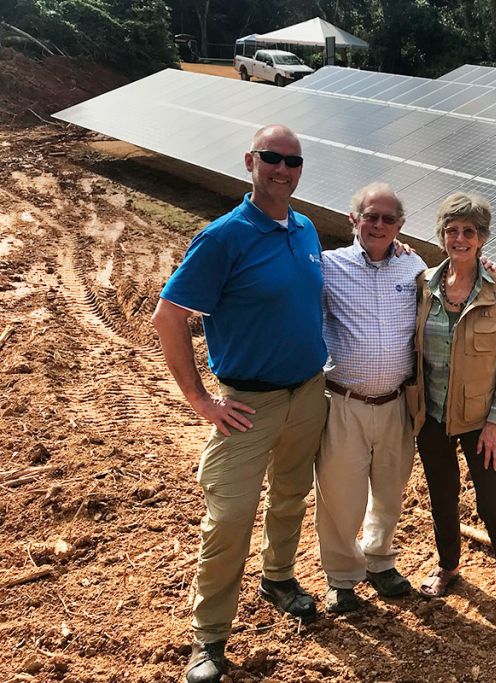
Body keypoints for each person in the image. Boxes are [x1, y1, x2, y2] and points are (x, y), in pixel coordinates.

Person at [151, 124, 328, 683]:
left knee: (291, 495)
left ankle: (278, 577)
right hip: (247, 405)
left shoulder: (304, 229)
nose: (283, 169)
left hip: (308, 392)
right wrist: (200, 400)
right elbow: (168, 317)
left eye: (293, 161)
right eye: (272, 158)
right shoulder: (224, 237)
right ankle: (209, 638)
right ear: (251, 161)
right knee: (229, 518)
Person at [409, 192, 496, 618]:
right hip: (431, 417)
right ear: (442, 236)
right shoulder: (424, 285)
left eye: (468, 231)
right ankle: (448, 566)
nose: (459, 238)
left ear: (482, 237)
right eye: (451, 230)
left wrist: (495, 422)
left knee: (493, 507)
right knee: (442, 497)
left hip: (480, 420)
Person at [314, 183, 426, 612]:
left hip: (396, 404)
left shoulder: (413, 266)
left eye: (388, 219)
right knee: (340, 496)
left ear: (400, 225)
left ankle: (379, 560)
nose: (379, 225)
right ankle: (342, 577)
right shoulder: (329, 266)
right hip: (345, 403)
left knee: (389, 492)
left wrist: (481, 263)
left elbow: (450, 285)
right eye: (370, 216)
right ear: (353, 219)